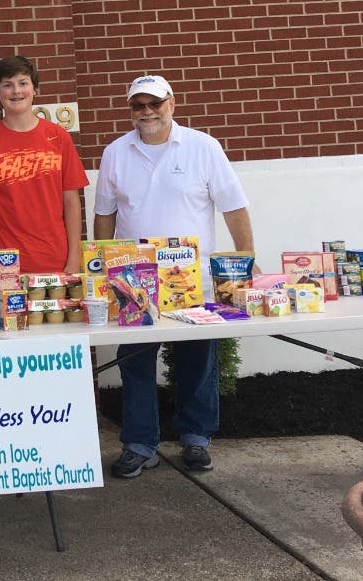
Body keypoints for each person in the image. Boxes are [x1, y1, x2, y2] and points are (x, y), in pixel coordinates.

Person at [92, 73, 255, 478]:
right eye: (139, 105)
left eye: (155, 103)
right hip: (133, 279)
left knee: (197, 359)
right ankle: (139, 443)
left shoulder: (203, 147)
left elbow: (233, 206)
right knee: (135, 362)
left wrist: (245, 259)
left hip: (192, 279)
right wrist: (100, 267)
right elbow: (104, 215)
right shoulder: (115, 152)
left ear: (172, 104)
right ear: (130, 110)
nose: (147, 112)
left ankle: (196, 438)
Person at [0, 54, 89, 293]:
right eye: (7, 85)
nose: (16, 91)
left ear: (35, 89)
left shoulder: (59, 137)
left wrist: (74, 258)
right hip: (7, 265)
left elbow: (72, 202)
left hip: (57, 261)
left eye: (23, 83)